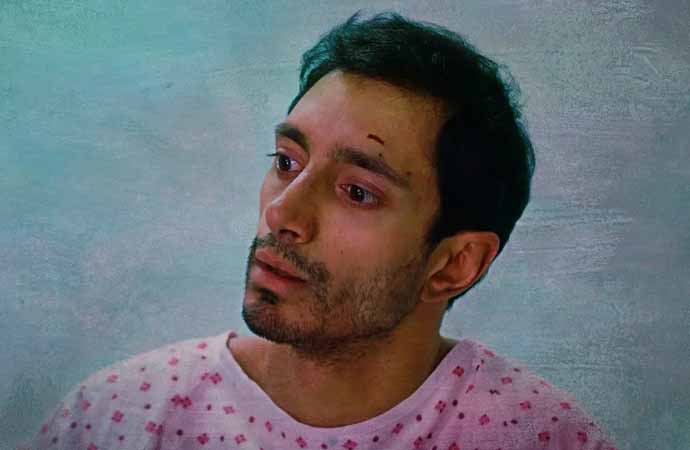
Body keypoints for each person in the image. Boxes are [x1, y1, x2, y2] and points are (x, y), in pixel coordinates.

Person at [21, 10, 618, 450]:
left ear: (453, 263)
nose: (283, 214)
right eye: (287, 162)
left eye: (358, 192)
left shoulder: (540, 436)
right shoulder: (117, 419)